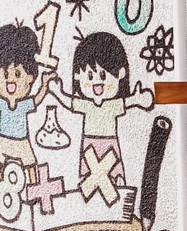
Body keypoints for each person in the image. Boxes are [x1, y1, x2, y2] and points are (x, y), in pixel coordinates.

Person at [50, 31, 153, 188]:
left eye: (104, 75)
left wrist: (138, 99)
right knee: (88, 177)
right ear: (78, 76)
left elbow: (128, 102)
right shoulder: (87, 105)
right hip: (89, 143)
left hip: (110, 143)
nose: (97, 83)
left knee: (114, 172)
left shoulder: (112, 105)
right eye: (90, 76)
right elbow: (70, 102)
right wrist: (57, 92)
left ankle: (118, 181)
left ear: (120, 74)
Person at [0, 21, 56, 186]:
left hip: (21, 142)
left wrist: (44, 85)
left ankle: (34, 189)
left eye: (18, 74)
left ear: (30, 78)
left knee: (30, 162)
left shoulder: (23, 104)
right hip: (2, 139)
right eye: (5, 74)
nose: (10, 81)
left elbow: (36, 100)